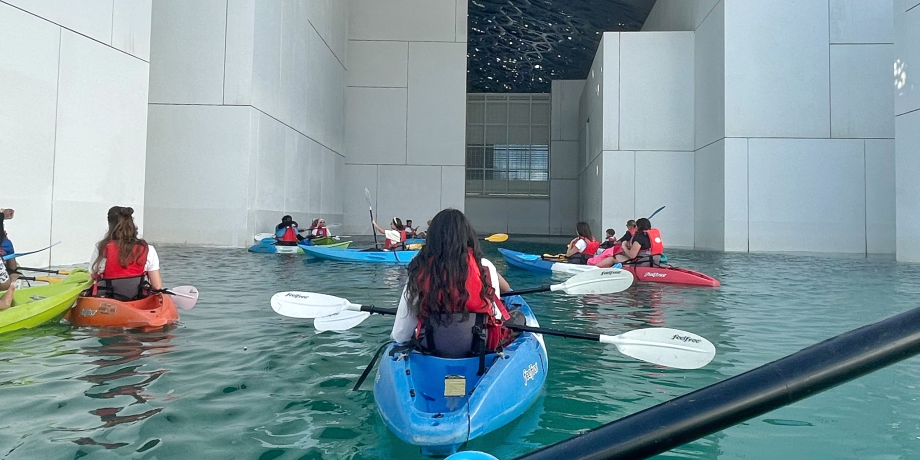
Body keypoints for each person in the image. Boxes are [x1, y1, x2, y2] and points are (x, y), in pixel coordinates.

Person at [391, 208, 514, 362]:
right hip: (479, 353)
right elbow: (495, 318)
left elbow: (400, 335)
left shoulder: (419, 271)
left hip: (432, 353)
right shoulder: (485, 268)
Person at [89, 206, 162, 301]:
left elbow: (92, 277)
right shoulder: (148, 250)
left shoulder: (101, 248)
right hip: (137, 300)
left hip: (108, 301)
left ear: (110, 224)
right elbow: (157, 286)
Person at [596, 218, 663, 267]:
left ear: (639, 226)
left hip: (641, 263)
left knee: (613, 258)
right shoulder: (652, 236)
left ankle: (597, 268)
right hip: (654, 262)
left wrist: (624, 246)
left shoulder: (640, 238)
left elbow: (632, 255)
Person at [0, 214, 18, 310]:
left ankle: (11, 288)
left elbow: (12, 266)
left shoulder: (7, 243)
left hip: (4, 275)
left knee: (5, 285)